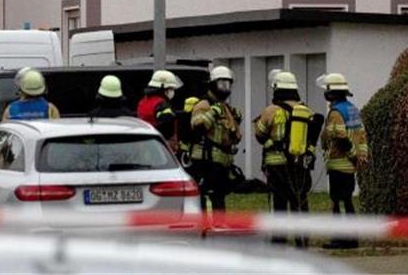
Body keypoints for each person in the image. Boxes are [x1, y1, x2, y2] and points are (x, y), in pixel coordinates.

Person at [254, 71, 321, 248]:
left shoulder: (271, 111)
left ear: (277, 89)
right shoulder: (306, 111)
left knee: (280, 204)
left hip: (277, 166)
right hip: (300, 164)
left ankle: (279, 241)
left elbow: (259, 135)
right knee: (300, 201)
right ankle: (302, 240)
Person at [318, 73, 370, 249]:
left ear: (331, 93)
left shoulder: (336, 112)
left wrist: (353, 155)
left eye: (327, 90)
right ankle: (352, 238)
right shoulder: (353, 109)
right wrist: (361, 156)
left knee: (338, 201)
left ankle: (341, 239)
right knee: (347, 201)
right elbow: (362, 136)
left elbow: (340, 138)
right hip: (350, 166)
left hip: (339, 164)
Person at [189, 66, 243, 215]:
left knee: (219, 198)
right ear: (212, 84)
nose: (225, 88)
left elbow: (236, 136)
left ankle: (220, 229)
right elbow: (197, 126)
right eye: (222, 84)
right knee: (208, 197)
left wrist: (237, 121)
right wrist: (213, 113)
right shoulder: (203, 105)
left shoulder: (225, 108)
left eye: (228, 84)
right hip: (206, 161)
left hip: (221, 163)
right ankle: (207, 230)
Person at [137, 70, 181, 151]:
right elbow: (167, 126)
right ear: (163, 88)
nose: (173, 92)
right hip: (160, 149)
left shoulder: (143, 101)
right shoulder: (161, 104)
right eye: (171, 89)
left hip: (144, 146)